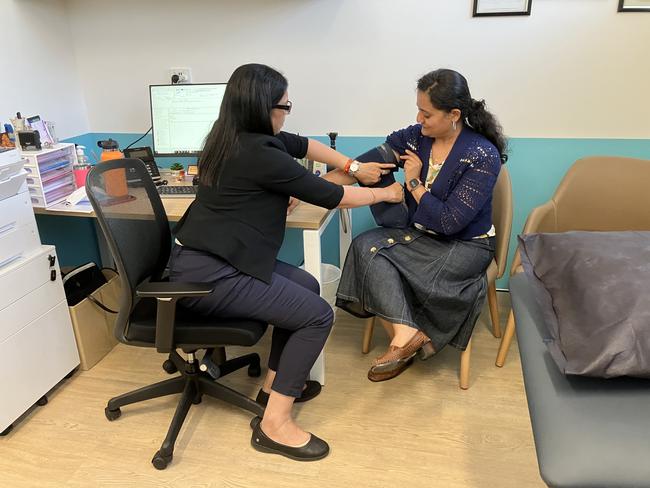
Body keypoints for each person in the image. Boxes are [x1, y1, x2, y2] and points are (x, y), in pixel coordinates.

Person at [169, 63, 403, 461]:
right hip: (211, 275)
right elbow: (332, 196)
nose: (287, 112)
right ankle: (273, 425)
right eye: (285, 106)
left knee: (307, 286)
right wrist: (385, 194)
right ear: (263, 108)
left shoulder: (232, 136)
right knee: (316, 315)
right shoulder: (260, 153)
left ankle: (273, 387)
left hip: (216, 257)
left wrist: (353, 167)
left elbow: (306, 145)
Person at [336, 68, 507, 382]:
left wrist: (413, 182)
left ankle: (409, 340)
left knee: (380, 255)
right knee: (364, 245)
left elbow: (449, 222)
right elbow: (366, 164)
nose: (418, 118)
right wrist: (310, 187)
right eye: (418, 109)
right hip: (421, 235)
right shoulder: (416, 138)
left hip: (466, 246)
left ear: (453, 114)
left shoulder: (482, 155)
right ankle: (407, 336)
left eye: (426, 113)